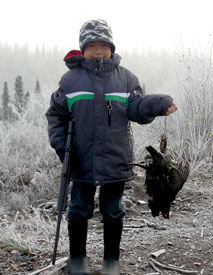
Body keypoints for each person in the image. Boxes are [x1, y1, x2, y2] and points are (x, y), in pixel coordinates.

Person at [46, 19, 177, 275]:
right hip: (80, 159)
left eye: (103, 45)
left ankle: (111, 261)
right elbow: (56, 115)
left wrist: (159, 104)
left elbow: (137, 107)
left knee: (113, 210)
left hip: (115, 158)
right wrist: (63, 149)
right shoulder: (71, 80)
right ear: (82, 48)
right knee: (79, 209)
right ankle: (77, 260)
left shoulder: (126, 78)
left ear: (111, 47)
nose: (98, 50)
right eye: (92, 45)